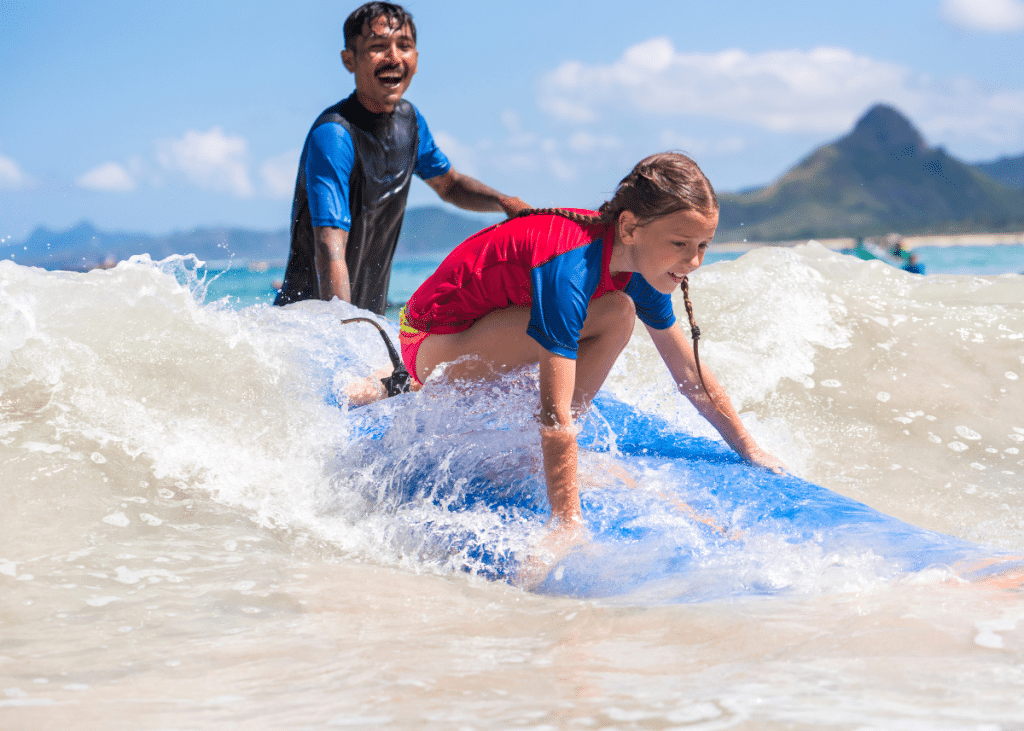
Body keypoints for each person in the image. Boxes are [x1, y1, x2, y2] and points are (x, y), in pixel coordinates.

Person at [382, 152, 785, 542]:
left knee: (617, 310)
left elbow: (689, 373)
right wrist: (567, 522)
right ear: (629, 228)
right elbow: (554, 413)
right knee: (618, 313)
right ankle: (425, 392)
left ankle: (400, 389)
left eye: (702, 246)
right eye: (681, 243)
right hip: (428, 346)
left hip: (476, 335)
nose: (694, 261)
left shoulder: (641, 264)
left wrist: (749, 447)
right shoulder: (571, 265)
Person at [275, 2, 528, 313]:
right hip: (307, 329)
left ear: (416, 60)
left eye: (404, 46)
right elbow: (330, 247)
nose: (393, 57)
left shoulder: (410, 122)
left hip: (367, 323)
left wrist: (504, 202)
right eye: (378, 47)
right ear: (349, 60)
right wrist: (344, 336)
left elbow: (449, 186)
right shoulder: (334, 135)